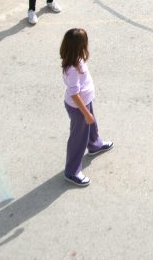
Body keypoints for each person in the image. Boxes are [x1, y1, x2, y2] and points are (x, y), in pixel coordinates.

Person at [60, 28, 113, 187]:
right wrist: (86, 113)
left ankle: (95, 144)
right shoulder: (73, 69)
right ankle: (72, 171)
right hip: (78, 107)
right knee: (78, 138)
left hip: (85, 102)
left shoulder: (76, 59)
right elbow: (74, 94)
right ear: (79, 46)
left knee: (91, 127)